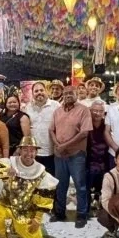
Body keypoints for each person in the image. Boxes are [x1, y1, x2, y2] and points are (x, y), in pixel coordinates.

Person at [0, 136, 58, 238]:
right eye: (25, 149)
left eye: (32, 150)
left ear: (36, 152)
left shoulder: (41, 172)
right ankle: (2, 233)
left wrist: (37, 219)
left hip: (24, 211)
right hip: (6, 204)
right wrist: (6, 171)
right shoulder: (11, 163)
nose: (29, 153)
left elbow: (44, 199)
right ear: (20, 150)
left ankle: (15, 226)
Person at [50, 85, 92, 226]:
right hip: (59, 155)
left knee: (80, 185)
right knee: (60, 185)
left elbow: (84, 133)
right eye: (66, 93)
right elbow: (51, 130)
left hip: (76, 154)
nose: (68, 95)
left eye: (71, 93)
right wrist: (57, 145)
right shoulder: (57, 111)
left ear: (76, 94)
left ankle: (81, 214)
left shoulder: (84, 110)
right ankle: (59, 212)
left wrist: (64, 146)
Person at [24, 81, 60, 175]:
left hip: (51, 152)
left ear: (46, 91)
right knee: (35, 180)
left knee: (50, 181)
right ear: (32, 94)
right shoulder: (28, 107)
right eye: (36, 91)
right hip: (34, 153)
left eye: (41, 90)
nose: (39, 92)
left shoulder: (56, 105)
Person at [87, 100, 110, 207]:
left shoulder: (107, 125)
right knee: (87, 185)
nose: (97, 113)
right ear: (90, 111)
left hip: (104, 160)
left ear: (104, 113)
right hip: (88, 160)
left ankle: (100, 204)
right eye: (95, 110)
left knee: (102, 186)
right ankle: (87, 205)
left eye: (100, 111)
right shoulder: (85, 124)